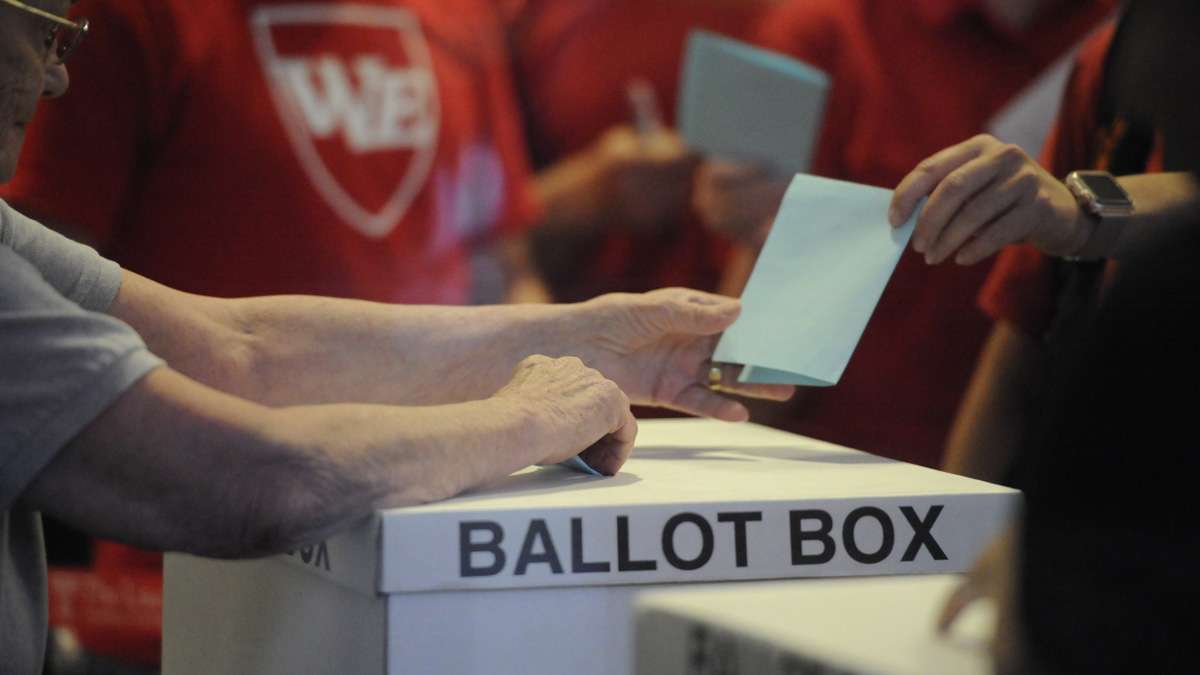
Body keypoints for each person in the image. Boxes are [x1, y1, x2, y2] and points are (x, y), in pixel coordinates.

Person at [0, 4, 793, 673]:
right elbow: (267, 478)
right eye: (45, 25)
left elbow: (238, 343)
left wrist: (590, 337)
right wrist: (526, 414)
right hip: (194, 597)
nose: (59, 70)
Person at [894, 1, 1200, 670]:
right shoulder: (1107, 63)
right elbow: (1019, 357)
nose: (1152, 77)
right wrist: (942, 556)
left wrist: (1087, 212)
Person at [692, 0, 1117, 467]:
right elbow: (766, 354)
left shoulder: (1125, 39)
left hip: (1063, 466)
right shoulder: (829, 29)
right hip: (843, 471)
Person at [504, 0, 771, 302]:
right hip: (581, 318)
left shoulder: (792, 17)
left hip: (737, 318)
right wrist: (586, 194)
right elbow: (476, 239)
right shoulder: (520, 18)